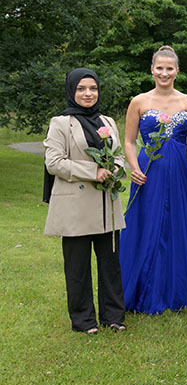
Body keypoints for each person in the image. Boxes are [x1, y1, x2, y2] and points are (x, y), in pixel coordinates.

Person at [119, 46, 187, 315]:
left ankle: (181, 290)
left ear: (177, 71)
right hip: (149, 171)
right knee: (147, 225)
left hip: (182, 172)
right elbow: (129, 140)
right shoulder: (139, 101)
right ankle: (143, 288)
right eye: (159, 68)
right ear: (152, 69)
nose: (164, 73)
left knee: (181, 227)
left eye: (169, 68)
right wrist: (134, 167)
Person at [43, 68, 126, 334]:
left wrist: (115, 168)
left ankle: (113, 316)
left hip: (106, 206)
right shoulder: (60, 123)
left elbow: (119, 155)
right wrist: (94, 172)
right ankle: (83, 320)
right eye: (81, 89)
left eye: (92, 88)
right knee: (77, 268)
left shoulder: (108, 121)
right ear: (71, 91)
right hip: (76, 206)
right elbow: (54, 163)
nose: (88, 93)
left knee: (111, 265)